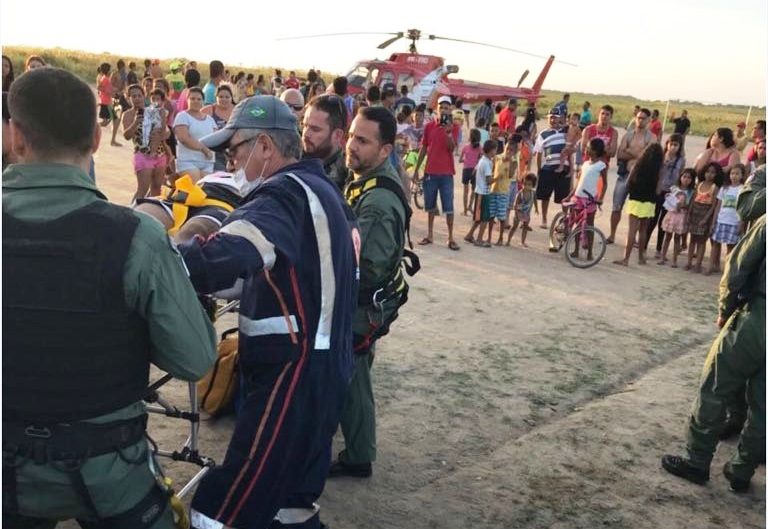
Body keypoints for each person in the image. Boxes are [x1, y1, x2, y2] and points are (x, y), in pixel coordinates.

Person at [3, 66, 216, 529]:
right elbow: (195, 359)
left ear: (16, 137)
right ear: (97, 139)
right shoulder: (137, 237)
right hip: (110, 470)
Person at [178, 95, 357, 529]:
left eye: (235, 149)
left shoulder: (283, 194)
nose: (230, 159)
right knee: (292, 501)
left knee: (223, 503)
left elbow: (225, 253)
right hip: (326, 367)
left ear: (263, 147)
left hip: (289, 373)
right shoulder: (322, 188)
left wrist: (160, 258)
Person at [330, 106, 412, 480]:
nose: (351, 145)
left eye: (362, 141)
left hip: (364, 306)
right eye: (351, 136)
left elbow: (369, 267)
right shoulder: (365, 177)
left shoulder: (378, 201)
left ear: (384, 150)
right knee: (354, 375)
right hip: (369, 303)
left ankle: (360, 455)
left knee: (352, 378)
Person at [661, 213, 765, 494]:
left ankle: (698, 461)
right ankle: (742, 470)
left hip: (758, 318)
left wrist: (726, 308)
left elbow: (739, 267)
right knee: (763, 406)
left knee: (716, 386)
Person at [413, 95, 461, 250]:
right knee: (431, 205)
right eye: (441, 108)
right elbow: (424, 148)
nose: (444, 110)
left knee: (448, 206)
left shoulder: (454, 127)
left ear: (451, 110)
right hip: (430, 172)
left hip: (446, 173)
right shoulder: (429, 126)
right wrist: (416, 169)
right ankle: (430, 235)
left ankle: (451, 237)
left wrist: (447, 133)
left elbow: (452, 148)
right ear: (437, 109)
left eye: (447, 108)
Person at [608, 108, 657, 243]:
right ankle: (612, 235)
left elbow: (649, 157)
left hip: (641, 178)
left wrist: (630, 151)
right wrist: (638, 153)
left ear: (648, 120)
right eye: (638, 117)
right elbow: (620, 154)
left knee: (637, 211)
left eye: (643, 118)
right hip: (625, 174)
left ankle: (633, 239)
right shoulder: (628, 135)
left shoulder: (651, 137)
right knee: (616, 206)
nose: (640, 120)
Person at [613, 143, 663, 266]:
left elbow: (628, 182)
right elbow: (658, 190)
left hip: (635, 199)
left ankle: (626, 258)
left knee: (632, 230)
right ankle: (641, 257)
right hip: (649, 201)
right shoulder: (659, 170)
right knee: (643, 230)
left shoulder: (637, 165)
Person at [122, 85, 170, 202]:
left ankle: (151, 213)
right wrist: (135, 122)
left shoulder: (153, 111)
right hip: (142, 155)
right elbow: (127, 136)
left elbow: (166, 133)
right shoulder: (127, 114)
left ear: (144, 96)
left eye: (139, 95)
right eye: (133, 96)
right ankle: (132, 213)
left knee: (157, 188)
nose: (137, 98)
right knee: (142, 190)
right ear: (128, 98)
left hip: (159, 154)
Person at [646, 133, 686, 257]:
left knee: (664, 222)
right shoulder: (661, 157)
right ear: (667, 144)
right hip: (659, 190)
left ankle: (659, 249)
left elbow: (680, 176)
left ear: (680, 147)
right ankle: (644, 245)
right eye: (671, 144)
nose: (673, 147)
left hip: (670, 194)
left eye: (676, 145)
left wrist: (677, 193)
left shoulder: (681, 160)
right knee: (652, 219)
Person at [302, 93, 350, 190]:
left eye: (315, 129)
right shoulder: (292, 157)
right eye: (305, 126)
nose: (306, 134)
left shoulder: (345, 177)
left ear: (337, 135)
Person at [534, 108, 570, 231]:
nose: (553, 119)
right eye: (551, 117)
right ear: (547, 118)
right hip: (548, 167)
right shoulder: (543, 134)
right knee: (545, 196)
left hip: (564, 168)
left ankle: (565, 220)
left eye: (556, 117)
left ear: (560, 118)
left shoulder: (566, 132)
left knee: (564, 197)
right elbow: (538, 153)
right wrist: (539, 169)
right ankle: (544, 219)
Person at [708, 164, 747, 275]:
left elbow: (743, 208)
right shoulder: (724, 189)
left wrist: (741, 223)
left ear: (742, 175)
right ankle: (711, 266)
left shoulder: (742, 189)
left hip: (734, 222)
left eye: (737, 173)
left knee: (730, 247)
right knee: (715, 244)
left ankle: (727, 269)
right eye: (732, 173)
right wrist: (713, 221)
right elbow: (718, 206)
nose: (734, 176)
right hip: (721, 220)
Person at [686, 162, 723, 273]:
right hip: (695, 213)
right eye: (707, 172)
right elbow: (693, 200)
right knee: (692, 239)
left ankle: (698, 264)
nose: (709, 174)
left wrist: (706, 218)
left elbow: (713, 206)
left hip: (705, 214)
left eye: (712, 172)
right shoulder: (700, 184)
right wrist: (689, 213)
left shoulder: (715, 188)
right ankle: (689, 262)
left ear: (717, 174)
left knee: (702, 241)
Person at [173, 87, 216, 180]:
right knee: (196, 190)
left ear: (203, 101)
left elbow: (216, 139)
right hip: (188, 162)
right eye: (192, 99)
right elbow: (184, 138)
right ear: (187, 100)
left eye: (199, 99)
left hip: (208, 162)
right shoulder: (182, 116)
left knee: (207, 191)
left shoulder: (210, 119)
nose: (195, 101)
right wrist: (204, 149)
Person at [658, 168, 696, 267]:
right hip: (672, 214)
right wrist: (668, 198)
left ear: (692, 180)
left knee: (677, 239)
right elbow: (669, 199)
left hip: (681, 216)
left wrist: (683, 206)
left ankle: (674, 260)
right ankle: (662, 257)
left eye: (689, 177)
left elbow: (690, 205)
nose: (686, 179)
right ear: (680, 177)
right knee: (667, 237)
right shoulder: (674, 188)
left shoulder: (692, 192)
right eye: (684, 177)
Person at [463, 140, 497, 247]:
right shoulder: (487, 163)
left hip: (479, 191)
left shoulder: (482, 160)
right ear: (491, 150)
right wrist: (498, 177)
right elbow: (489, 180)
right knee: (484, 218)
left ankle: (470, 235)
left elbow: (474, 172)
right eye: (495, 150)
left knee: (479, 217)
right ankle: (479, 239)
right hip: (484, 193)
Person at [488, 136, 519, 245]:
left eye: (511, 150)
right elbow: (492, 171)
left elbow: (511, 174)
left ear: (515, 152)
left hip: (503, 191)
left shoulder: (514, 162)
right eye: (507, 149)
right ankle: (489, 237)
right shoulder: (497, 158)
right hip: (493, 189)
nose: (508, 151)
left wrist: (510, 161)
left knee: (501, 216)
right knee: (491, 215)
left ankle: (500, 238)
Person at [202, 85, 235, 172]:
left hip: (233, 152)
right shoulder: (209, 110)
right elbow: (195, 117)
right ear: (216, 97)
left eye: (227, 97)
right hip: (215, 152)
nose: (224, 99)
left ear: (232, 98)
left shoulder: (237, 110)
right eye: (220, 97)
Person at [506, 173, 538, 247]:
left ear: (533, 185)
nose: (526, 186)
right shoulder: (520, 193)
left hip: (527, 213)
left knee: (525, 227)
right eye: (525, 184)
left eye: (529, 184)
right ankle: (508, 240)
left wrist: (536, 208)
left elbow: (535, 200)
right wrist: (516, 213)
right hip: (519, 213)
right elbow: (516, 204)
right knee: (514, 227)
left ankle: (523, 242)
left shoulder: (533, 193)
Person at [96, 62, 122, 147]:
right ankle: (112, 141)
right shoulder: (105, 78)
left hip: (107, 103)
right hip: (106, 103)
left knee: (107, 122)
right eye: (110, 69)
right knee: (112, 121)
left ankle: (113, 140)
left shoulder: (105, 78)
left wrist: (114, 91)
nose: (111, 71)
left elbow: (107, 88)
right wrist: (109, 92)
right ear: (107, 70)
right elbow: (99, 87)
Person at [459, 128, 482, 215]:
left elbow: (460, 160)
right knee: (473, 190)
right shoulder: (480, 148)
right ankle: (470, 206)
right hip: (475, 171)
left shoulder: (465, 147)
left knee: (465, 191)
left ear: (470, 137)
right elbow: (481, 159)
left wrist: (465, 160)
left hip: (466, 170)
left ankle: (464, 210)